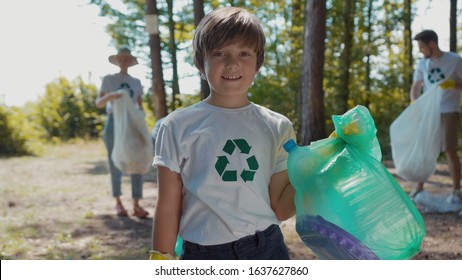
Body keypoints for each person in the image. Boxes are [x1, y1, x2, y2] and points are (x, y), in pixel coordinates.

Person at [150, 7, 296, 260]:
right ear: (200, 62)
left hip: (268, 248)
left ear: (258, 62)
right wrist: (161, 260)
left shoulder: (278, 126)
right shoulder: (176, 126)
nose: (232, 63)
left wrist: (318, 175)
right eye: (219, 53)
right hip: (204, 255)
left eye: (244, 53)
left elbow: (280, 208)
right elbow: (167, 206)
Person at [96, 46, 149, 218]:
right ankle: (118, 202)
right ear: (117, 61)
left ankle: (136, 203)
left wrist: (141, 118)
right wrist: (113, 97)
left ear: (131, 62)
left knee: (137, 159)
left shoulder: (136, 82)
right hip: (114, 123)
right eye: (121, 58)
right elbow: (99, 103)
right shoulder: (109, 79)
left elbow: (139, 105)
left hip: (132, 123)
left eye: (127, 59)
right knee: (115, 161)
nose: (124, 61)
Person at [409, 30, 462, 203]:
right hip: (428, 112)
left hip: (449, 110)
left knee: (450, 150)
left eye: (423, 46)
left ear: (432, 44)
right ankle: (419, 187)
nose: (421, 50)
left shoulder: (455, 60)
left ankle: (456, 191)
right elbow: (416, 87)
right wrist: (415, 104)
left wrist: (453, 84)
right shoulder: (422, 64)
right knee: (425, 150)